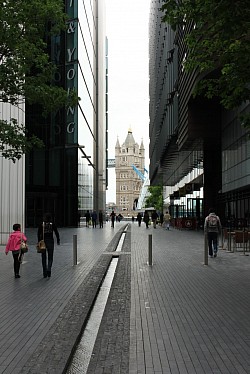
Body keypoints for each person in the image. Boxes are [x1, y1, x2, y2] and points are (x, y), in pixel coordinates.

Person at [37, 213, 60, 278]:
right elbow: (56, 232)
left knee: (43, 257)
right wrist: (58, 240)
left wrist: (39, 241)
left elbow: (38, 233)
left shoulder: (42, 224)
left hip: (43, 242)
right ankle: (49, 269)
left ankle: (44, 272)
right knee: (50, 257)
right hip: (50, 241)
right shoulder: (52, 224)